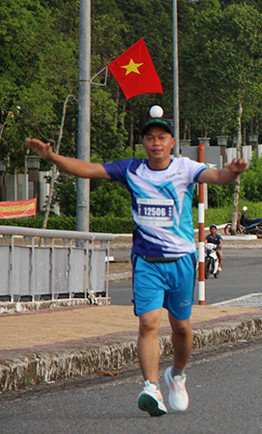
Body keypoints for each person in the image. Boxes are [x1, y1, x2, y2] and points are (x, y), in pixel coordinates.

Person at [26, 112, 249, 417]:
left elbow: (218, 177)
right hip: (146, 261)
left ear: (172, 142)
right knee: (148, 323)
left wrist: (233, 172)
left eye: (161, 138)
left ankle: (177, 375)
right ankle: (151, 388)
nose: (156, 143)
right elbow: (88, 169)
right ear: (143, 143)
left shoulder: (185, 168)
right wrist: (52, 157)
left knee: (182, 328)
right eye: (150, 138)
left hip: (181, 261)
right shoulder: (131, 170)